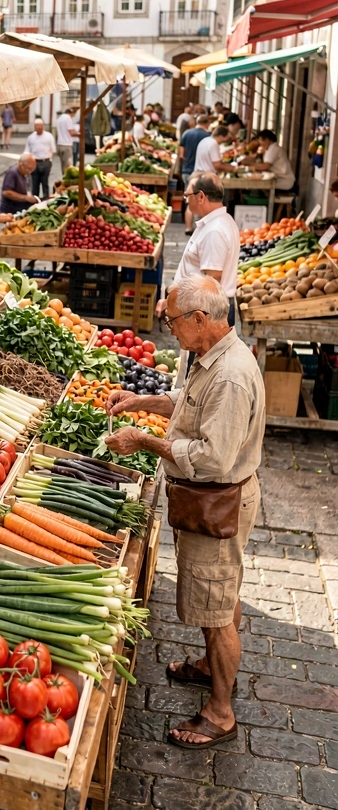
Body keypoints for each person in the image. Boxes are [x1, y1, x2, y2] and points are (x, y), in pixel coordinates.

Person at [105, 275, 263, 750]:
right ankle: (210, 666)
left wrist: (144, 440)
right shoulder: (210, 356)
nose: (168, 327)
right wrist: (141, 402)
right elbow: (187, 403)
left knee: (217, 610)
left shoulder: (231, 376)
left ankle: (220, 712)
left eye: (172, 320)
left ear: (200, 318)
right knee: (221, 593)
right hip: (211, 500)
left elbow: (213, 456)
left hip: (217, 502)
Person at [156, 173, 239, 327]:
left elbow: (211, 281)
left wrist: (172, 302)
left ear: (200, 196)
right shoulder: (218, 222)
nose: (186, 200)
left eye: (187, 195)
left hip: (207, 313)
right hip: (205, 309)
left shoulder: (214, 231)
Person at [179, 114, 211, 234]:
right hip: (200, 173)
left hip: (187, 170)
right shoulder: (208, 136)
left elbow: (181, 154)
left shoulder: (186, 133)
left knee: (190, 200)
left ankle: (188, 227)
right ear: (207, 123)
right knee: (202, 201)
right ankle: (201, 229)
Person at [24, 118, 56, 199]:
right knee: (35, 183)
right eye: (37, 127)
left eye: (40, 127)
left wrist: (48, 156)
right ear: (34, 127)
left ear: (43, 127)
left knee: (45, 182)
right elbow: (27, 150)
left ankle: (46, 199)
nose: (39, 129)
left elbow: (53, 150)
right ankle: (36, 199)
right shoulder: (31, 137)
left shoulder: (49, 136)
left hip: (46, 162)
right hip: (34, 162)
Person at [55, 108, 77, 173]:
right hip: (67, 144)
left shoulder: (59, 119)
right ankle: (67, 178)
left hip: (60, 144)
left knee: (63, 165)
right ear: (71, 113)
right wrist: (79, 133)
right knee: (68, 166)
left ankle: (64, 176)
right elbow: (71, 132)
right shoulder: (68, 118)